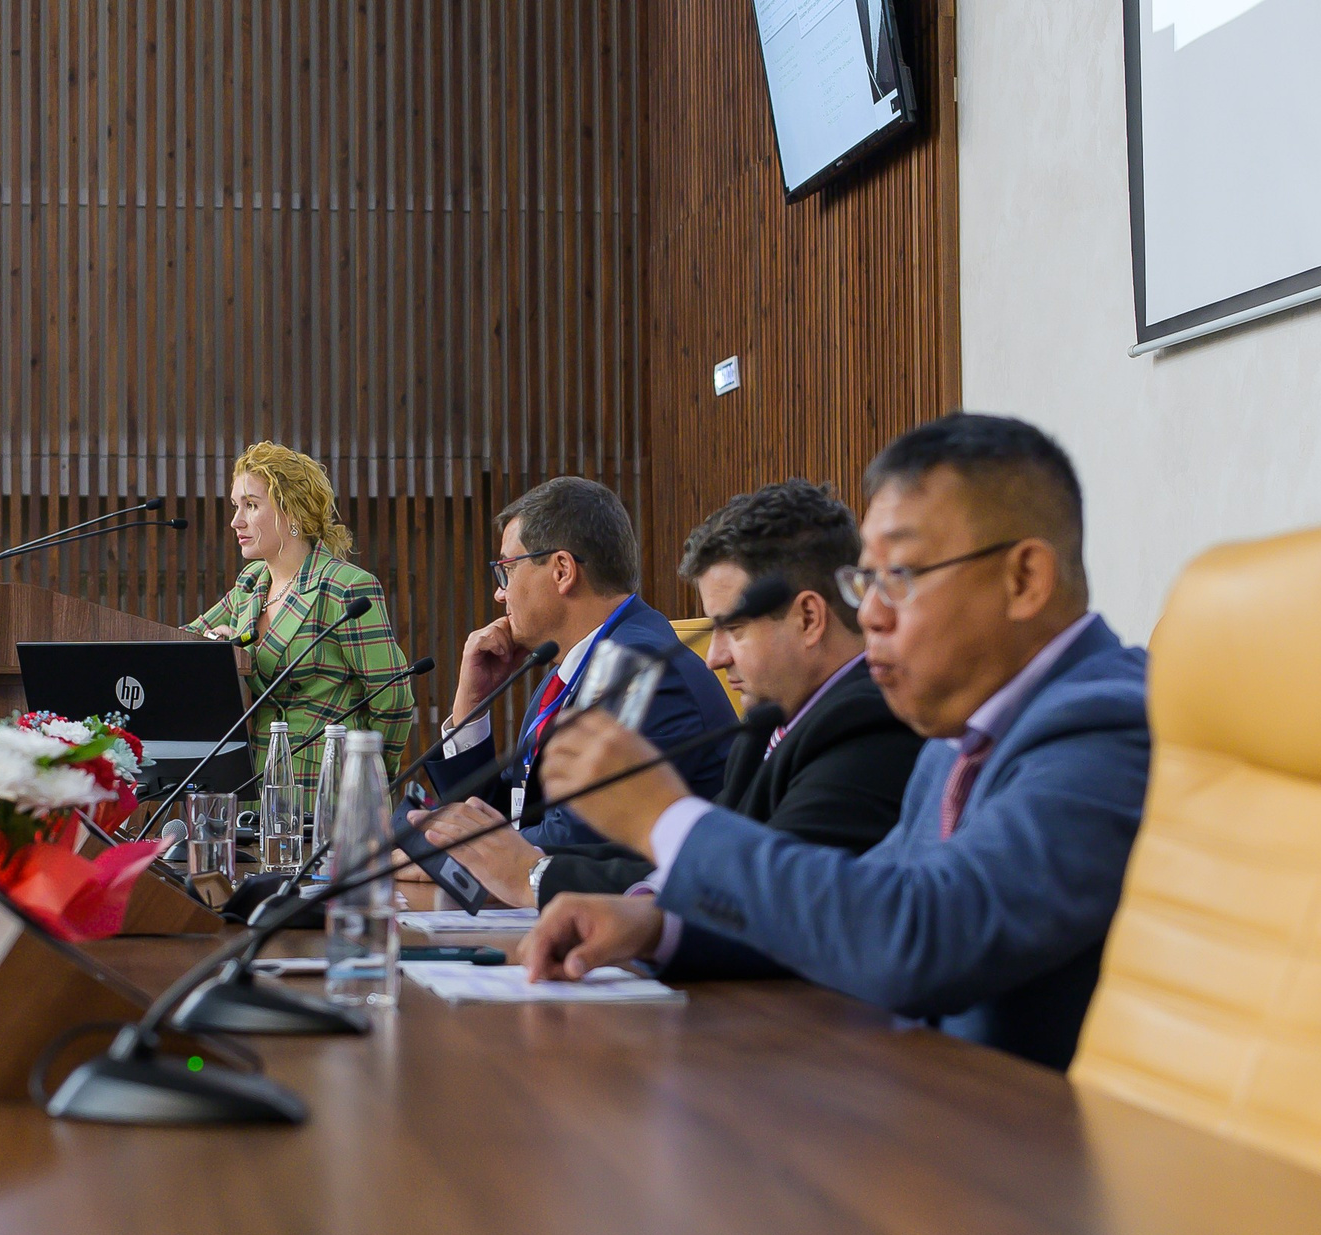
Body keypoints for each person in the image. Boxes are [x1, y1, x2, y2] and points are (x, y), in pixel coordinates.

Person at [520, 415, 1150, 1071]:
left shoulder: (1108, 725)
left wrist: (666, 818)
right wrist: (659, 925)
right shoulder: (957, 735)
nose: (870, 613)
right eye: (864, 581)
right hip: (923, 1093)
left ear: (1023, 580)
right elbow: (853, 908)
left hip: (1019, 1122)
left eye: (899, 574)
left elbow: (920, 936)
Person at [411, 482, 920, 970]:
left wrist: (532, 872)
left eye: (733, 628)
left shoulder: (865, 724)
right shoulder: (769, 726)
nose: (714, 657)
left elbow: (785, 903)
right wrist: (635, 912)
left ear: (808, 619)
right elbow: (697, 872)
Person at [419, 477, 741, 851]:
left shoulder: (641, 667)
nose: (500, 593)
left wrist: (456, 851)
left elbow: (582, 838)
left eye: (508, 569)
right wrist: (472, 706)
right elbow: (511, 813)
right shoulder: (567, 671)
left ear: (562, 571)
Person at [190, 442, 415, 788]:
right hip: (257, 780)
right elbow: (178, 643)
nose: (236, 521)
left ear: (292, 511)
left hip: (329, 784)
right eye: (236, 506)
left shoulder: (346, 586)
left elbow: (393, 698)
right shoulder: (250, 584)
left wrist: (370, 776)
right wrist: (212, 646)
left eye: (251, 505)